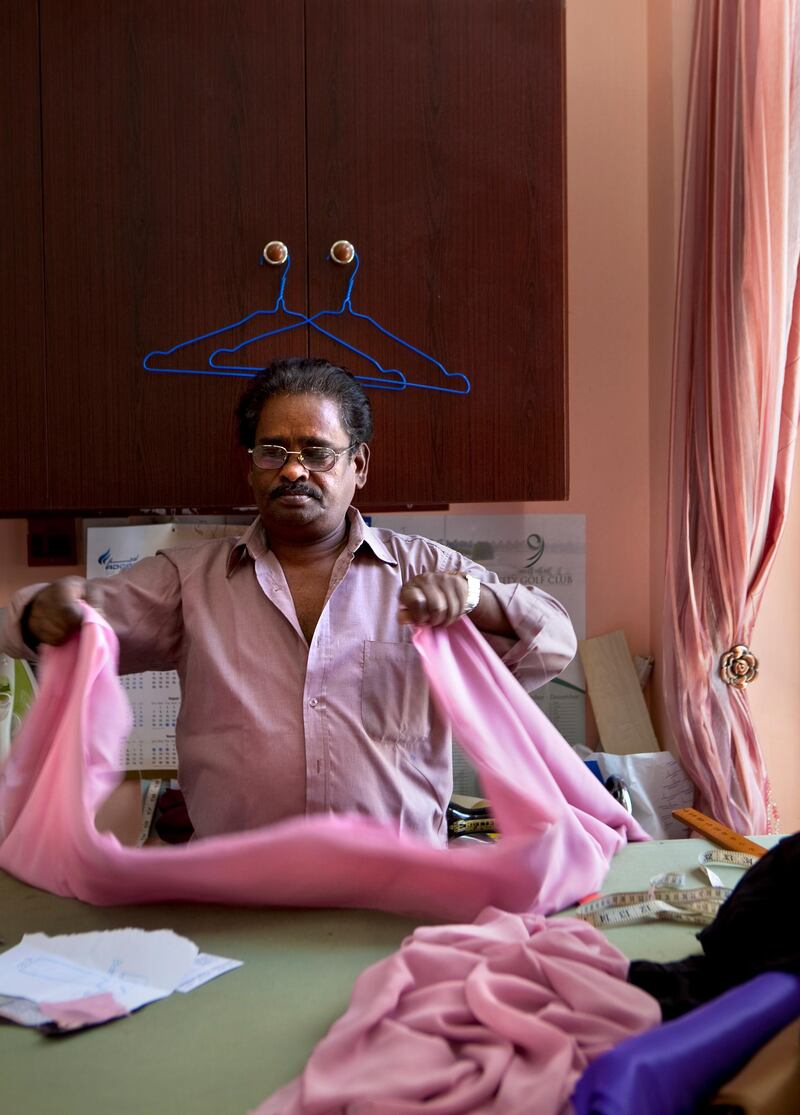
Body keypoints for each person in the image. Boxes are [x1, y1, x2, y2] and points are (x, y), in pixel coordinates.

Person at [1, 358, 577, 844]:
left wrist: (474, 598)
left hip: (395, 895)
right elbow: (32, 625)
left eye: (318, 452)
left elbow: (555, 641)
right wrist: (41, 614)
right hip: (236, 900)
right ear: (251, 468)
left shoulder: (426, 570)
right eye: (273, 451)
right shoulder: (187, 580)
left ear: (359, 465)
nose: (294, 470)